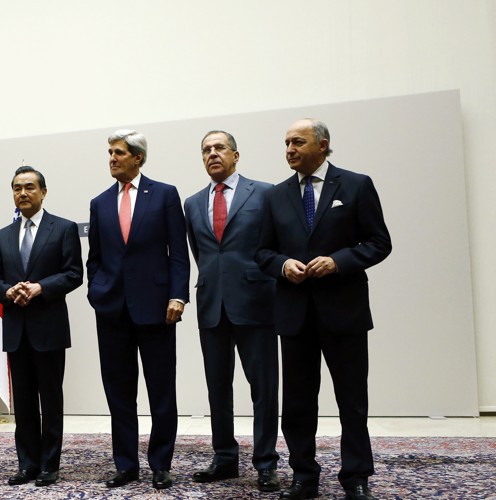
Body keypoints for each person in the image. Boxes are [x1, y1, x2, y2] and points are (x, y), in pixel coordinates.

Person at [256, 119, 391, 500]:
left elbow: (379, 242)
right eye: (286, 143)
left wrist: (338, 261)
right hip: (294, 314)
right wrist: (283, 265)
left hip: (344, 311)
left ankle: (356, 477)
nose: (289, 149)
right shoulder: (276, 195)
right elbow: (262, 252)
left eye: (298, 142)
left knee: (352, 401)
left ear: (322, 144)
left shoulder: (356, 185)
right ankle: (304, 476)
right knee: (297, 403)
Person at [86, 129, 190, 490]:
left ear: (138, 157)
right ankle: (126, 465)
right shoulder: (99, 202)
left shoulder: (164, 194)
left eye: (119, 152)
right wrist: (96, 291)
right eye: (110, 153)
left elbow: (178, 252)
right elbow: (95, 257)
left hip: (157, 309)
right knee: (119, 393)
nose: (112, 158)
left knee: (161, 391)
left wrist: (178, 295)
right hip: (112, 311)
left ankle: (161, 464)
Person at [184, 131, 280, 492]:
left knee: (263, 388)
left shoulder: (265, 193)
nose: (212, 154)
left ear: (235, 155)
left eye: (219, 148)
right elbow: (201, 253)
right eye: (206, 149)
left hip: (256, 302)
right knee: (217, 388)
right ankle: (224, 458)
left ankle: (266, 462)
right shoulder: (192, 203)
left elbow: (273, 244)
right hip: (212, 305)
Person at [0, 166, 83, 488]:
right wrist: (7, 292)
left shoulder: (63, 228)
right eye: (17, 188)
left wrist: (41, 287)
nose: (23, 193)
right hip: (16, 329)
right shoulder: (3, 235)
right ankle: (27, 464)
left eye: (29, 187)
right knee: (24, 402)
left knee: (51, 401)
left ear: (43, 192)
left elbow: (74, 274)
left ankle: (49, 465)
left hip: (49, 328)